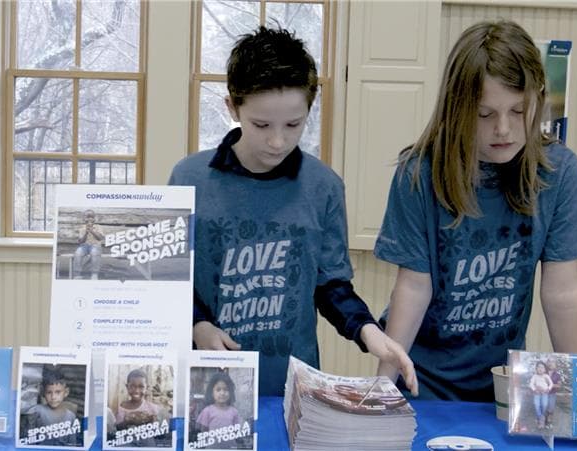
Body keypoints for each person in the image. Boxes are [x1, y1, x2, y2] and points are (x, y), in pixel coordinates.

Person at [168, 26, 417, 398]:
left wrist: (370, 333)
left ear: (309, 109)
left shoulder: (324, 186)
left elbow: (331, 286)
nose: (277, 140)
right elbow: (170, 281)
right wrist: (198, 325)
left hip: (292, 389)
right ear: (232, 107)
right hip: (204, 387)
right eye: (261, 124)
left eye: (294, 124)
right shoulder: (188, 179)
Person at [374, 19, 577, 401]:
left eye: (519, 110)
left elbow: (562, 290)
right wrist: (382, 385)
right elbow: (413, 287)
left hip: (505, 384)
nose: (504, 129)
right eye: (484, 114)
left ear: (538, 100)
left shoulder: (559, 171)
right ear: (457, 109)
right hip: (422, 382)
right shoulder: (418, 174)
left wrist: (573, 391)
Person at [21, 369, 78, 446]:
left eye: (58, 392)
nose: (53, 397)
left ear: (66, 392)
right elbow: (28, 440)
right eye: (49, 392)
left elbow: (72, 444)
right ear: (43, 393)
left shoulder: (71, 416)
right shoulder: (36, 411)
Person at [116, 368, 166, 446]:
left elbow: (160, 435)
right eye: (132, 386)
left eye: (141, 387)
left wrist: (153, 424)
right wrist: (127, 422)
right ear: (127, 387)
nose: (136, 390)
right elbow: (117, 430)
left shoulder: (153, 409)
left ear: (147, 388)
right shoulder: (122, 408)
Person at [195, 372, 244, 449]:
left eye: (226, 389)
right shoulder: (207, 411)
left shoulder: (234, 412)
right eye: (218, 390)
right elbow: (203, 432)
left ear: (230, 392)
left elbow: (237, 431)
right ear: (211, 392)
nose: (222, 393)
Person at [73, 209, 103, 280]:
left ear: (94, 218)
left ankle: (94, 273)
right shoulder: (82, 228)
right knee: (78, 253)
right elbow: (81, 241)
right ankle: (77, 274)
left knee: (94, 252)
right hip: (85, 246)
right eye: (87, 217)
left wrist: (92, 231)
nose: (90, 219)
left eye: (92, 217)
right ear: (84, 219)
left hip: (96, 245)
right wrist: (86, 233)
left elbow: (100, 238)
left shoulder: (98, 227)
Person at [528, 361, 552, 429]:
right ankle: (540, 417)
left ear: (544, 369)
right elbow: (531, 384)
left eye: (542, 367)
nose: (540, 369)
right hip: (537, 393)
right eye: (538, 367)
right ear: (536, 369)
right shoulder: (534, 376)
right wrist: (534, 389)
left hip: (544, 393)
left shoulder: (546, 376)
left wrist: (548, 389)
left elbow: (551, 384)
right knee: (536, 405)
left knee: (544, 404)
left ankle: (542, 417)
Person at [545, 358, 562, 428]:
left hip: (552, 394)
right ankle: (544, 421)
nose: (551, 363)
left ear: (555, 365)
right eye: (549, 362)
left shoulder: (557, 375)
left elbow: (559, 385)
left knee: (551, 409)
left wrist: (551, 385)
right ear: (547, 364)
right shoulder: (543, 373)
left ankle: (549, 422)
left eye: (552, 362)